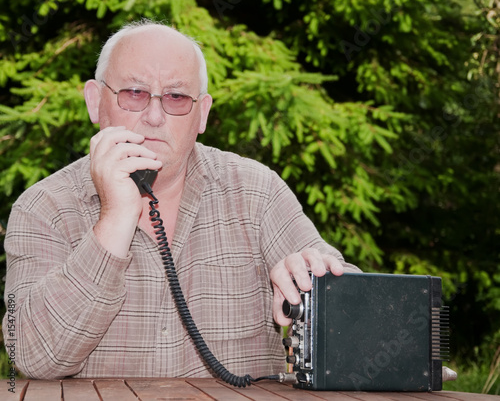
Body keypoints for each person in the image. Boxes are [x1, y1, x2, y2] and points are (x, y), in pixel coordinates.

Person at [2, 19, 361, 380]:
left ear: (201, 113)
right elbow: (32, 357)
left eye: (176, 97)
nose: (154, 117)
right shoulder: (42, 207)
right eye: (134, 93)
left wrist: (317, 280)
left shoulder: (257, 192)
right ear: (95, 102)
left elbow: (360, 319)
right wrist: (113, 220)